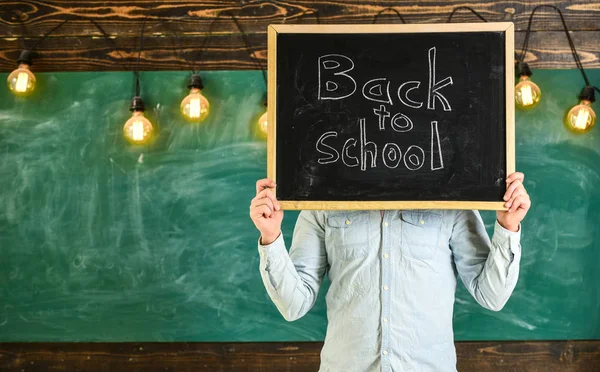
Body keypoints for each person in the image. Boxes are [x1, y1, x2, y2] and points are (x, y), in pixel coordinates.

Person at [249, 172, 531, 372]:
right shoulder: (319, 206)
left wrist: (507, 227)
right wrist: (271, 236)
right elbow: (293, 305)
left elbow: (491, 296)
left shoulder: (453, 203)